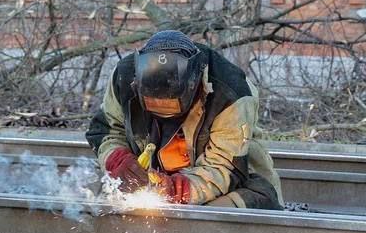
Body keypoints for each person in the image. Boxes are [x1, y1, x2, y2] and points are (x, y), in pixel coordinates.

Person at [85, 30, 283, 210]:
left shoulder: (231, 94)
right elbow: (108, 130)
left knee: (222, 211)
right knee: (101, 197)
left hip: (228, 180)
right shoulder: (124, 76)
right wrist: (119, 161)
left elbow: (224, 167)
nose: (164, 112)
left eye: (171, 104)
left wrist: (174, 191)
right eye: (154, 103)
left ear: (193, 85)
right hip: (151, 178)